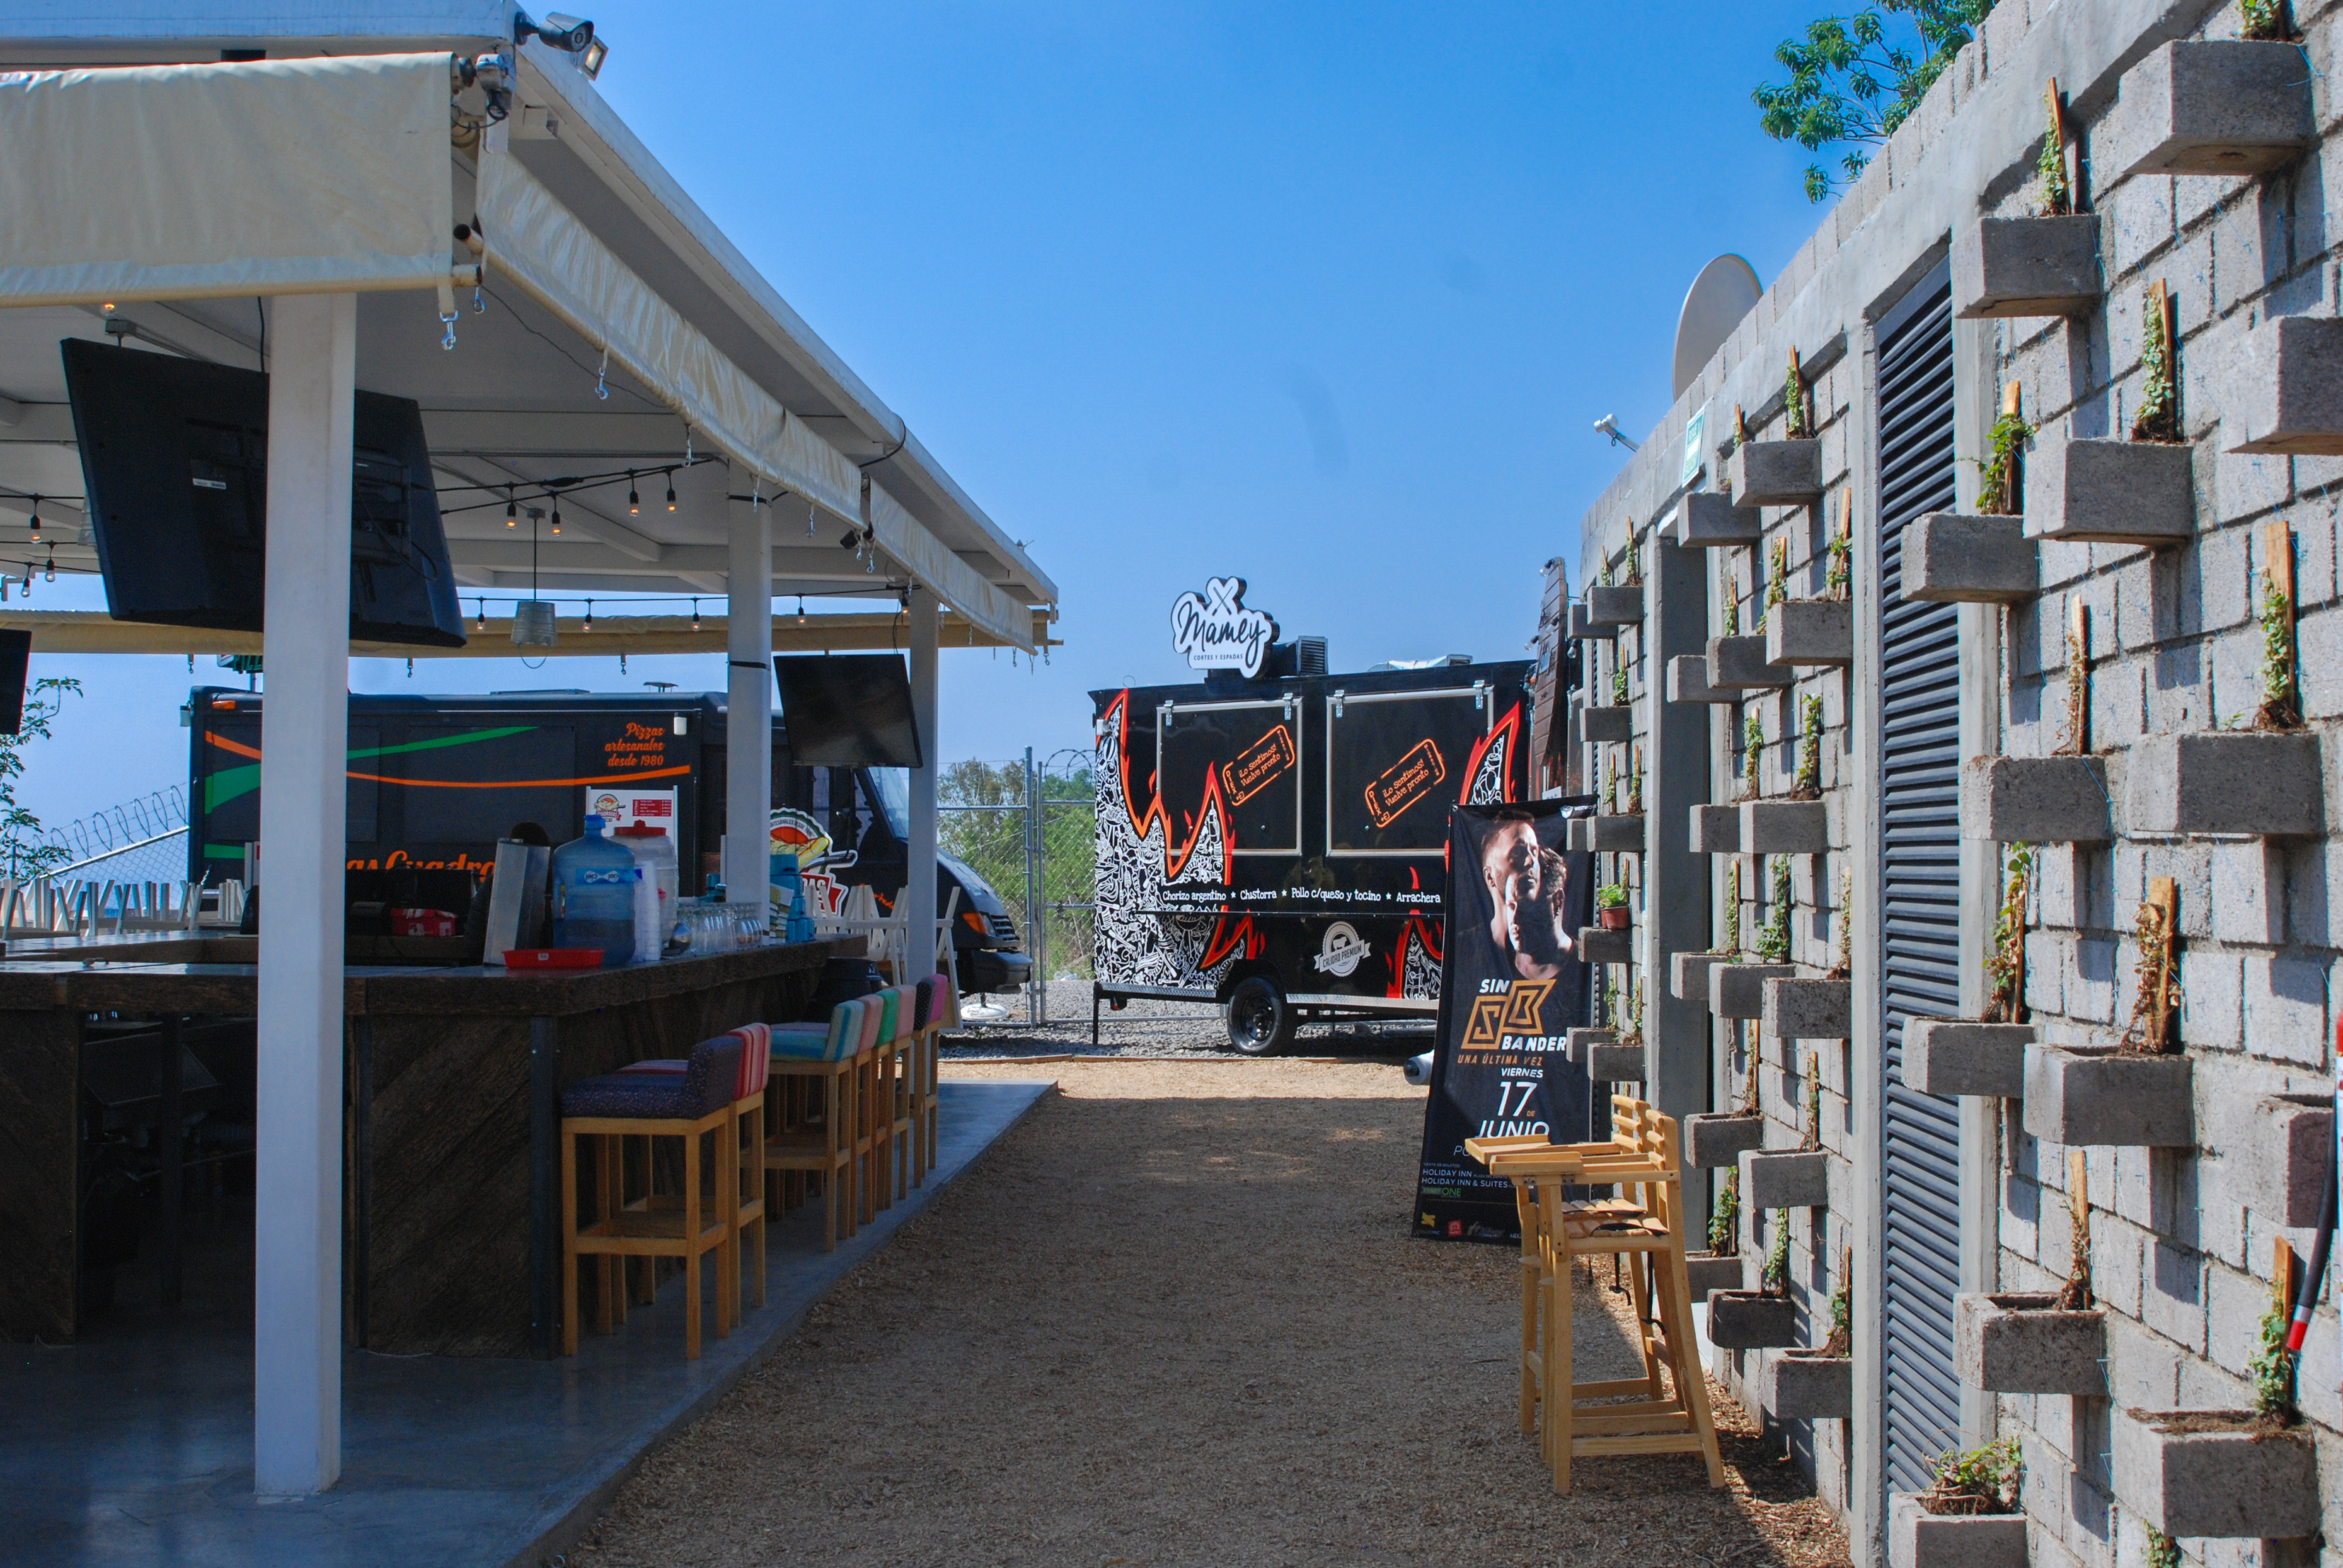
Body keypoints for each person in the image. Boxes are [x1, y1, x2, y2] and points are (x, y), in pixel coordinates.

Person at [1480, 810, 1574, 979]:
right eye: (1517, 853)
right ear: (1490, 876)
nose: (1531, 862)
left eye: (1534, 852)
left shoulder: (1562, 956)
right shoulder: (1472, 946)